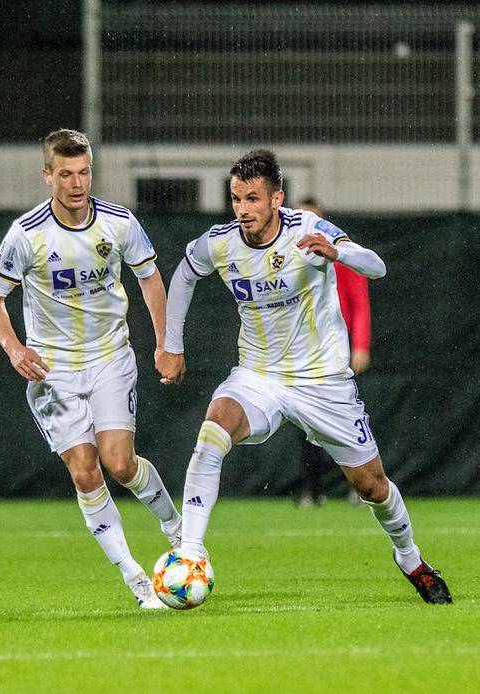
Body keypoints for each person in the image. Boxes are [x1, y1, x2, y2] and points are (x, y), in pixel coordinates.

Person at [156, 149, 452, 604]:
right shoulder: (220, 242)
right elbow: (183, 275)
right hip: (258, 376)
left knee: (372, 485)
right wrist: (170, 345)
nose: (243, 210)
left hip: (322, 381)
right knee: (213, 429)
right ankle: (191, 552)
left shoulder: (308, 230)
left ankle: (410, 558)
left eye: (252, 199)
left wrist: (339, 253)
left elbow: (378, 265)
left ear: (277, 199)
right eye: (236, 199)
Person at [0, 128, 182, 609]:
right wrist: (13, 348)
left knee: (119, 463)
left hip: (111, 357)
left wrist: (165, 344)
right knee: (86, 473)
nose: (77, 183)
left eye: (84, 172)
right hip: (54, 371)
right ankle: (135, 576)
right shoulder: (26, 234)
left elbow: (150, 278)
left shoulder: (118, 222)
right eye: (66, 173)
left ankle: (177, 529)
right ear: (47, 175)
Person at [295, 197, 372, 508]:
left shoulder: (340, 253)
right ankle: (312, 491)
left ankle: (361, 486)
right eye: (301, 218)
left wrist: (361, 346)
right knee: (306, 426)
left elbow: (359, 304)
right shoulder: (283, 258)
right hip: (301, 356)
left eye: (313, 219)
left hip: (336, 353)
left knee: (347, 421)